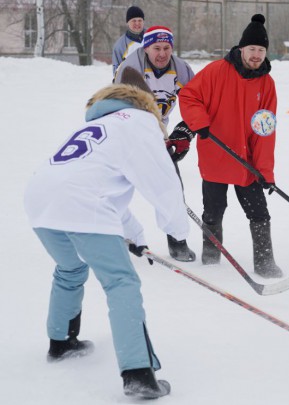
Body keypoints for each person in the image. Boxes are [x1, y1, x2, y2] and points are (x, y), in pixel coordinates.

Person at [24, 81, 190, 399]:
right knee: (121, 283)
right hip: (81, 203)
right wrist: (178, 231)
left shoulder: (98, 125)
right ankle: (139, 373)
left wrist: (136, 238)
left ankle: (61, 342)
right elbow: (163, 181)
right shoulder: (140, 121)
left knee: (70, 269)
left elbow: (104, 192)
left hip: (41, 201)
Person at [179, 14, 283, 277]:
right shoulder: (216, 71)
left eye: (261, 50)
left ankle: (264, 261)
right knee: (213, 212)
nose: (256, 55)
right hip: (216, 154)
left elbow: (265, 131)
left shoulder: (267, 84)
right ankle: (211, 259)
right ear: (241, 49)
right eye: (252, 49)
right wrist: (199, 122)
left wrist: (265, 172)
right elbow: (189, 95)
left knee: (259, 212)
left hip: (246, 162)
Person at [114, 25, 197, 262]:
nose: (162, 53)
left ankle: (177, 241)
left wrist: (184, 132)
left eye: (167, 48)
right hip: (126, 133)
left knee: (171, 186)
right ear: (147, 48)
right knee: (116, 189)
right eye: (156, 48)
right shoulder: (131, 67)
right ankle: (110, 236)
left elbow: (196, 102)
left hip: (158, 132)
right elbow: (121, 107)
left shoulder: (181, 69)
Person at [112, 6, 146, 77]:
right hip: (131, 85)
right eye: (134, 20)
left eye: (140, 20)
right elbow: (116, 72)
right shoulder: (119, 45)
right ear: (128, 22)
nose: (137, 23)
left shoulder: (151, 38)